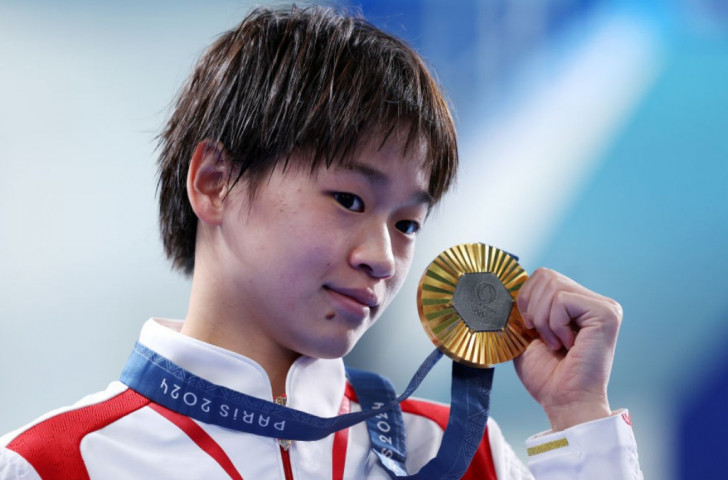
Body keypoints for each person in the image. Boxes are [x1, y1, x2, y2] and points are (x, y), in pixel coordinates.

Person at [0, 5, 642, 479]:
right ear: (214, 181)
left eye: (407, 224)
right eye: (349, 200)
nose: (382, 257)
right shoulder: (52, 463)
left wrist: (579, 414)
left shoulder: (459, 452)